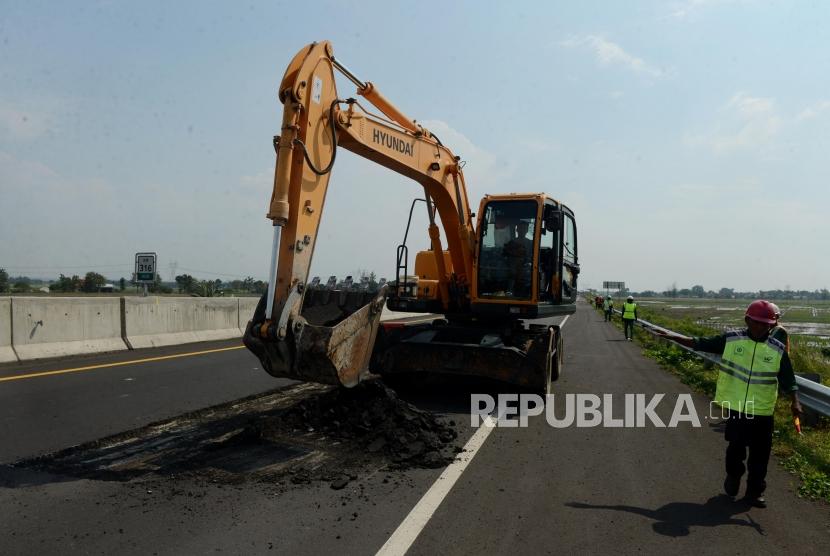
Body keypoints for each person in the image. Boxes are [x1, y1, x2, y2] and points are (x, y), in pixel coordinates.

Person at [655, 300, 802, 508]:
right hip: (738, 408)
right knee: (736, 450)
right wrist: (675, 337)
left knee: (760, 456)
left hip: (763, 410)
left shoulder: (777, 348)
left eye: (766, 324)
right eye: (757, 322)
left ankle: (754, 493)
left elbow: (788, 378)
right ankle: (733, 476)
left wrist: (795, 401)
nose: (761, 327)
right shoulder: (732, 340)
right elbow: (701, 343)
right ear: (747, 320)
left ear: (771, 325)